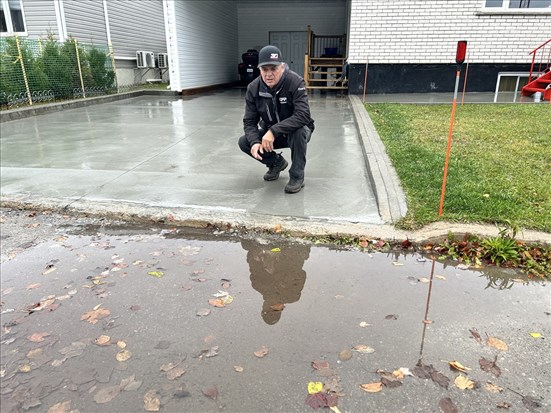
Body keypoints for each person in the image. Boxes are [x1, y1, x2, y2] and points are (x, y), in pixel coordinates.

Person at [238, 45, 315, 194]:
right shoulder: (253, 88)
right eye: (264, 69)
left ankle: (297, 176)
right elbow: (249, 122)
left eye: (273, 69)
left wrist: (273, 131)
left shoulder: (295, 82)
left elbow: (303, 115)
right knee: (245, 141)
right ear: (259, 70)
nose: (268, 74)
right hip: (273, 134)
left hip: (297, 132)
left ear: (282, 67)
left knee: (298, 131)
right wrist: (255, 142)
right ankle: (276, 163)